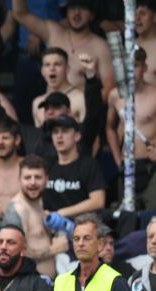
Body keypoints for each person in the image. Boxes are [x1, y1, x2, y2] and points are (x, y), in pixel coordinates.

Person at [12, 0, 115, 92]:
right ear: (66, 12)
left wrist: (87, 105)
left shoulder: (101, 47)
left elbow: (109, 88)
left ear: (92, 15)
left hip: (81, 111)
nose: (77, 13)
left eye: (83, 8)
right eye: (72, 8)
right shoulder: (53, 32)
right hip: (51, 108)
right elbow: (20, 14)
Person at [3, 155, 68, 280]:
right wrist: (54, 249)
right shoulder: (17, 210)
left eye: (38, 177)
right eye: (27, 177)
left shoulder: (40, 203)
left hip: (48, 283)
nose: (33, 182)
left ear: (46, 179)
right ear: (19, 179)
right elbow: (13, 252)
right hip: (28, 285)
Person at [106, 48, 156, 186]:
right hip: (126, 166)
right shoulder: (115, 95)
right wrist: (117, 160)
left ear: (144, 67)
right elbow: (110, 128)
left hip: (151, 164)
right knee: (127, 208)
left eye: (135, 66)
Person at [43, 115, 106, 217]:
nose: (59, 136)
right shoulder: (45, 165)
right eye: (55, 132)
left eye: (65, 131)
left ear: (77, 136)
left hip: (83, 224)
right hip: (49, 225)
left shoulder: (89, 164)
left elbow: (98, 201)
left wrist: (61, 213)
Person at [32, 48, 86, 128]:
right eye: (47, 65)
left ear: (67, 69)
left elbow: (92, 136)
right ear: (42, 71)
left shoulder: (80, 98)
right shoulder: (37, 103)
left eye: (57, 64)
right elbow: (38, 137)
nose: (52, 68)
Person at [137, 0, 156, 86]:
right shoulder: (127, 46)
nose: (137, 18)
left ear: (155, 17)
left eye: (143, 13)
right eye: (134, 14)